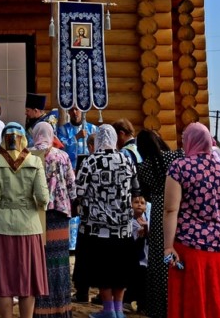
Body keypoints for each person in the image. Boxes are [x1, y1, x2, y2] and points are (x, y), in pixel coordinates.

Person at [163, 121, 220, 318]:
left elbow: (171, 209)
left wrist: (167, 247)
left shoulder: (180, 167)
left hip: (191, 248)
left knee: (193, 305)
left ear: (189, 141)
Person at [0, 121, 49, 318]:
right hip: (29, 227)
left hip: (0, 225)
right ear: (23, 138)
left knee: (4, 283)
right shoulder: (35, 162)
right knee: (26, 282)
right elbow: (43, 198)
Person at [75, 124, 141, 318]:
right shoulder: (126, 160)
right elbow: (136, 189)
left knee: (102, 270)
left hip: (96, 227)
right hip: (123, 227)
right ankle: (119, 310)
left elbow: (78, 191)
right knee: (120, 270)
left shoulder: (91, 161)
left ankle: (108, 309)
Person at [132, 129, 182, 318]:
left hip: (157, 210)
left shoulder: (144, 167)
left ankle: (158, 307)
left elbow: (143, 192)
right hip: (175, 205)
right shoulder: (175, 157)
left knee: (156, 259)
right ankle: (175, 302)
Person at [30, 122, 76, 318]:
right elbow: (72, 186)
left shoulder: (28, 155)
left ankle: (39, 309)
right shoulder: (62, 156)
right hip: (58, 214)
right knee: (60, 262)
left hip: (34, 213)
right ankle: (60, 309)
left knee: (38, 260)